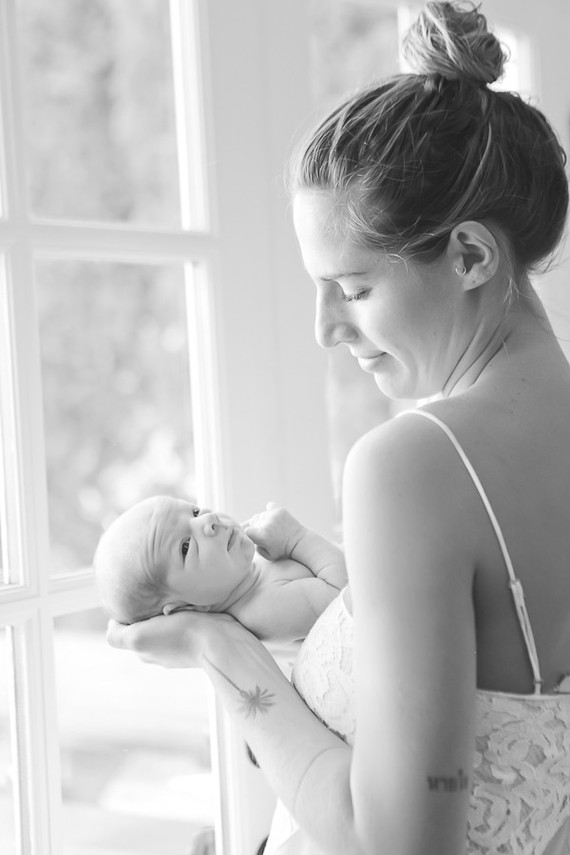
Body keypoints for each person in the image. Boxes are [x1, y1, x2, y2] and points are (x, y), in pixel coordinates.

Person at [106, 1, 570, 852]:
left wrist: (223, 649)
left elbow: (395, 840)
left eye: (353, 289)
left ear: (470, 255)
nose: (325, 328)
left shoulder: (414, 465)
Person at [94, 498, 346, 640]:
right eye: (185, 546)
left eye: (193, 511)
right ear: (186, 607)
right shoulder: (263, 609)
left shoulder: (251, 575)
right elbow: (350, 601)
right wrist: (297, 539)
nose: (207, 520)